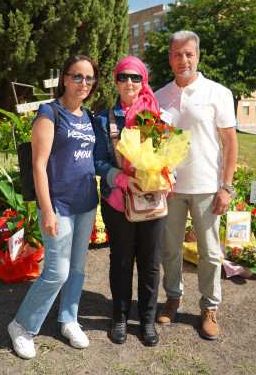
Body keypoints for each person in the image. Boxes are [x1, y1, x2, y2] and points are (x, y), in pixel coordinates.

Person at [8, 55, 99, 359]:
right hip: (58, 204)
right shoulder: (50, 113)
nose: (83, 83)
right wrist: (47, 211)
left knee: (76, 269)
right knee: (55, 272)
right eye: (77, 76)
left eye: (89, 78)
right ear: (64, 78)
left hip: (86, 204)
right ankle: (22, 326)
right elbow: (38, 165)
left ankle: (69, 319)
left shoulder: (88, 116)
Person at [154, 30, 238, 340]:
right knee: (170, 249)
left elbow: (230, 143)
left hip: (206, 186)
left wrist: (226, 186)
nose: (183, 59)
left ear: (198, 56)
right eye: (177, 54)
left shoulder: (218, 93)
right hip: (170, 188)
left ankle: (209, 307)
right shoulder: (159, 96)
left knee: (210, 251)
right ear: (170, 59)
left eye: (189, 53)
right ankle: (173, 297)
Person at [92, 56, 164, 346]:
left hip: (151, 201)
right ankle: (119, 317)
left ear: (143, 80)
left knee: (150, 263)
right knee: (121, 261)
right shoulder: (103, 118)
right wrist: (122, 180)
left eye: (135, 77)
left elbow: (167, 155)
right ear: (116, 81)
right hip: (117, 201)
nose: (129, 82)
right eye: (123, 77)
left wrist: (161, 173)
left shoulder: (157, 116)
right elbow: (97, 161)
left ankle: (146, 319)